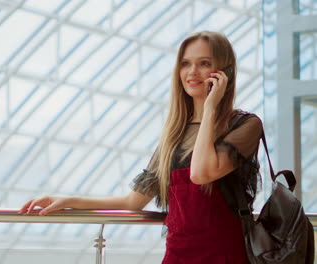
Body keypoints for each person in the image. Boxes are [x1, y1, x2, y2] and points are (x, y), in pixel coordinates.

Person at [19, 31, 262, 264]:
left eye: (204, 63)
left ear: (224, 72)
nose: (192, 72)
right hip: (178, 255)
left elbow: (200, 174)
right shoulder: (175, 134)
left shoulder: (245, 125)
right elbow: (133, 202)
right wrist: (68, 200)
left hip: (225, 255)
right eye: (185, 63)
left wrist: (209, 109)